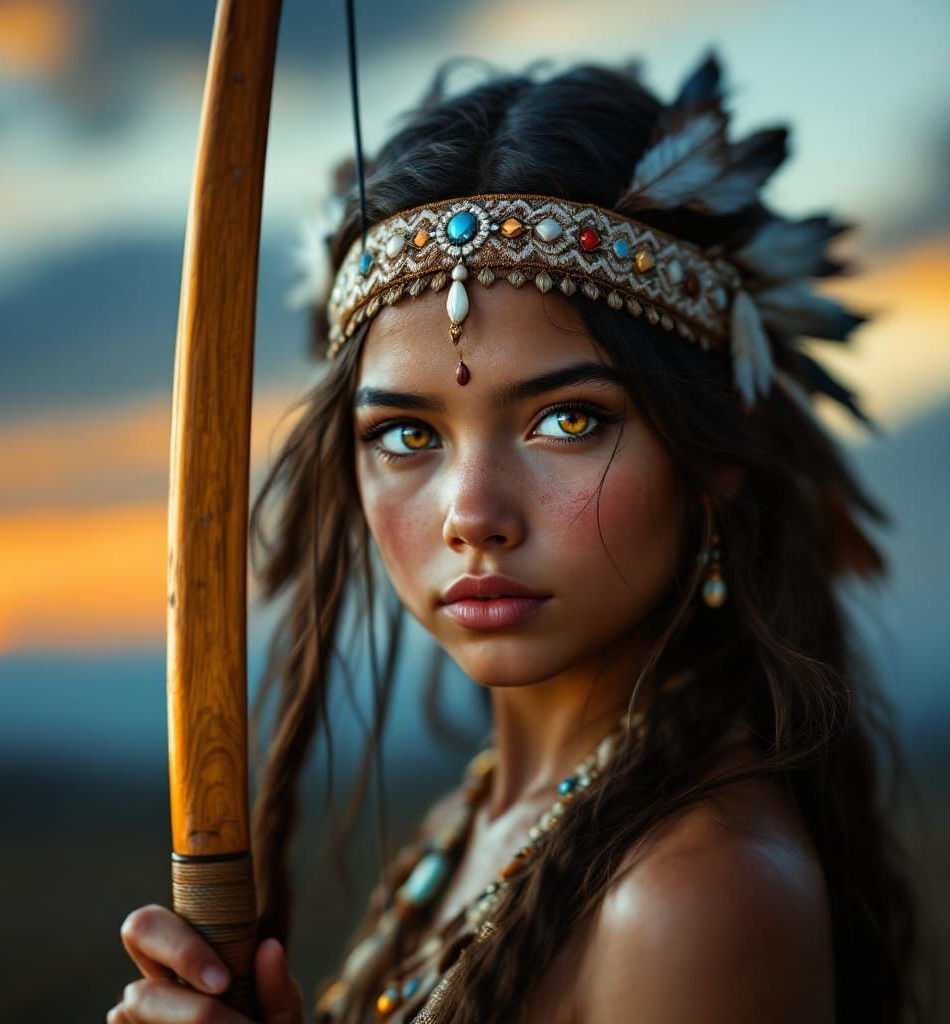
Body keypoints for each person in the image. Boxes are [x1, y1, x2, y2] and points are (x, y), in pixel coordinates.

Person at [107, 51, 922, 1024]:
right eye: (405, 435)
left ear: (712, 457)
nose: (472, 513)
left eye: (568, 421)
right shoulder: (486, 816)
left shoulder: (688, 895)